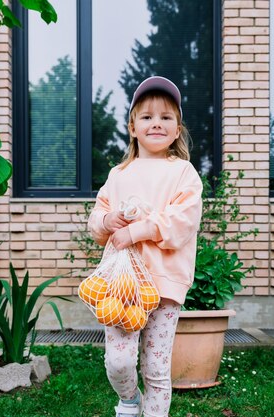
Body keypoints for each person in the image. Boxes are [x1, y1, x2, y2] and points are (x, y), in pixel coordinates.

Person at [88, 76, 203, 417]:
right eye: (147, 117)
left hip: (165, 284)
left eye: (166, 117)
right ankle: (129, 399)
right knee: (118, 362)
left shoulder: (183, 172)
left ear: (178, 129)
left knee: (156, 370)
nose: (156, 123)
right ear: (133, 127)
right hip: (122, 286)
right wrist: (107, 222)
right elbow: (97, 218)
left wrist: (137, 231)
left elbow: (182, 222)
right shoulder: (119, 173)